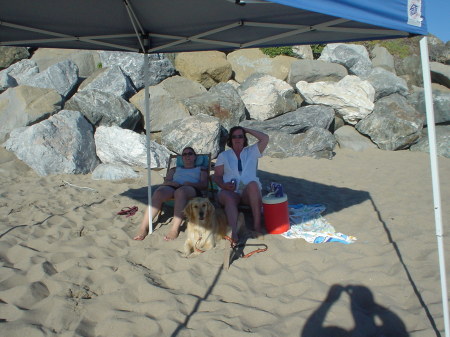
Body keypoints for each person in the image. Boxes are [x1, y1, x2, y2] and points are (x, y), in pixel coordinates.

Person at [134, 147, 208, 241]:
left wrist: (190, 184)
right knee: (158, 192)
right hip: (173, 187)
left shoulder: (201, 169)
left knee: (180, 192)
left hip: (191, 188)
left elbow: (204, 185)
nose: (187, 156)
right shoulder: (174, 169)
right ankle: (143, 228)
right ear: (182, 158)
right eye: (184, 154)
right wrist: (172, 183)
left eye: (190, 153)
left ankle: (174, 229)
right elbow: (166, 182)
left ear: (195, 157)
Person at [214, 126, 269, 243]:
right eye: (234, 136)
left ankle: (257, 226)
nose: (237, 139)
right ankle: (234, 232)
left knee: (253, 185)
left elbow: (265, 138)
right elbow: (217, 176)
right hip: (229, 190)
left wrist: (247, 130)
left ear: (244, 138)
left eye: (240, 136)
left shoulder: (252, 151)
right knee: (228, 197)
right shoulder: (224, 156)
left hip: (247, 193)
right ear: (230, 139)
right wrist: (224, 186)